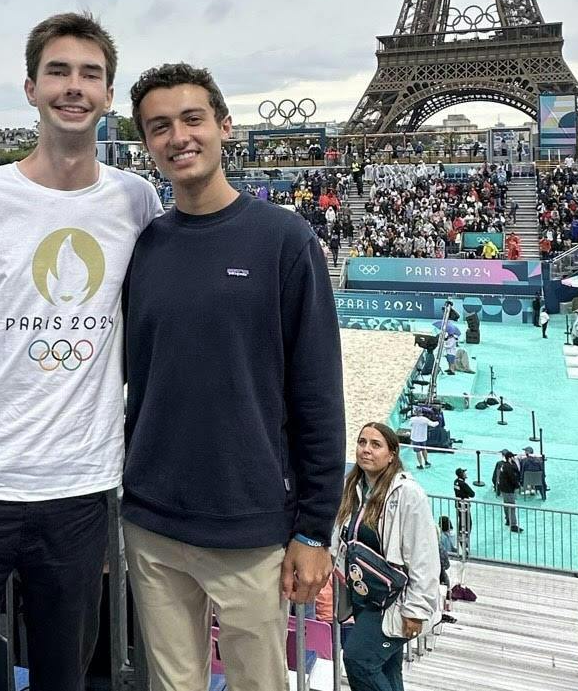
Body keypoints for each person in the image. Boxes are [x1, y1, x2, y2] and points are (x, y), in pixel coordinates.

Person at [0, 14, 162, 691]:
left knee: (64, 679)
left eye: (90, 74)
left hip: (76, 489)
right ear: (30, 86)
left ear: (107, 95)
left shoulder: (136, 200)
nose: (75, 86)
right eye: (59, 71)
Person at [120, 63, 344, 691]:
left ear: (224, 127)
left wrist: (312, 527)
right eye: (159, 127)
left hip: (249, 527)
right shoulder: (145, 247)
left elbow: (319, 395)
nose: (177, 137)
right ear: (147, 145)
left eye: (191, 119)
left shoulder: (285, 240)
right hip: (153, 522)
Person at [331, 423, 442, 691]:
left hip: (394, 600)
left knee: (358, 660)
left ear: (392, 454)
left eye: (375, 444)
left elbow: (424, 554)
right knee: (388, 668)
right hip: (364, 595)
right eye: (362, 442)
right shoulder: (353, 487)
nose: (366, 450)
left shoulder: (407, 494)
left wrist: (416, 609)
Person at [494, 450, 523, 531]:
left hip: (503, 488)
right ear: (510, 458)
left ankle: (508, 519)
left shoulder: (504, 465)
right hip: (508, 489)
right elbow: (513, 478)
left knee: (506, 504)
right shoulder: (509, 467)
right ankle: (513, 525)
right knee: (512, 506)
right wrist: (517, 486)